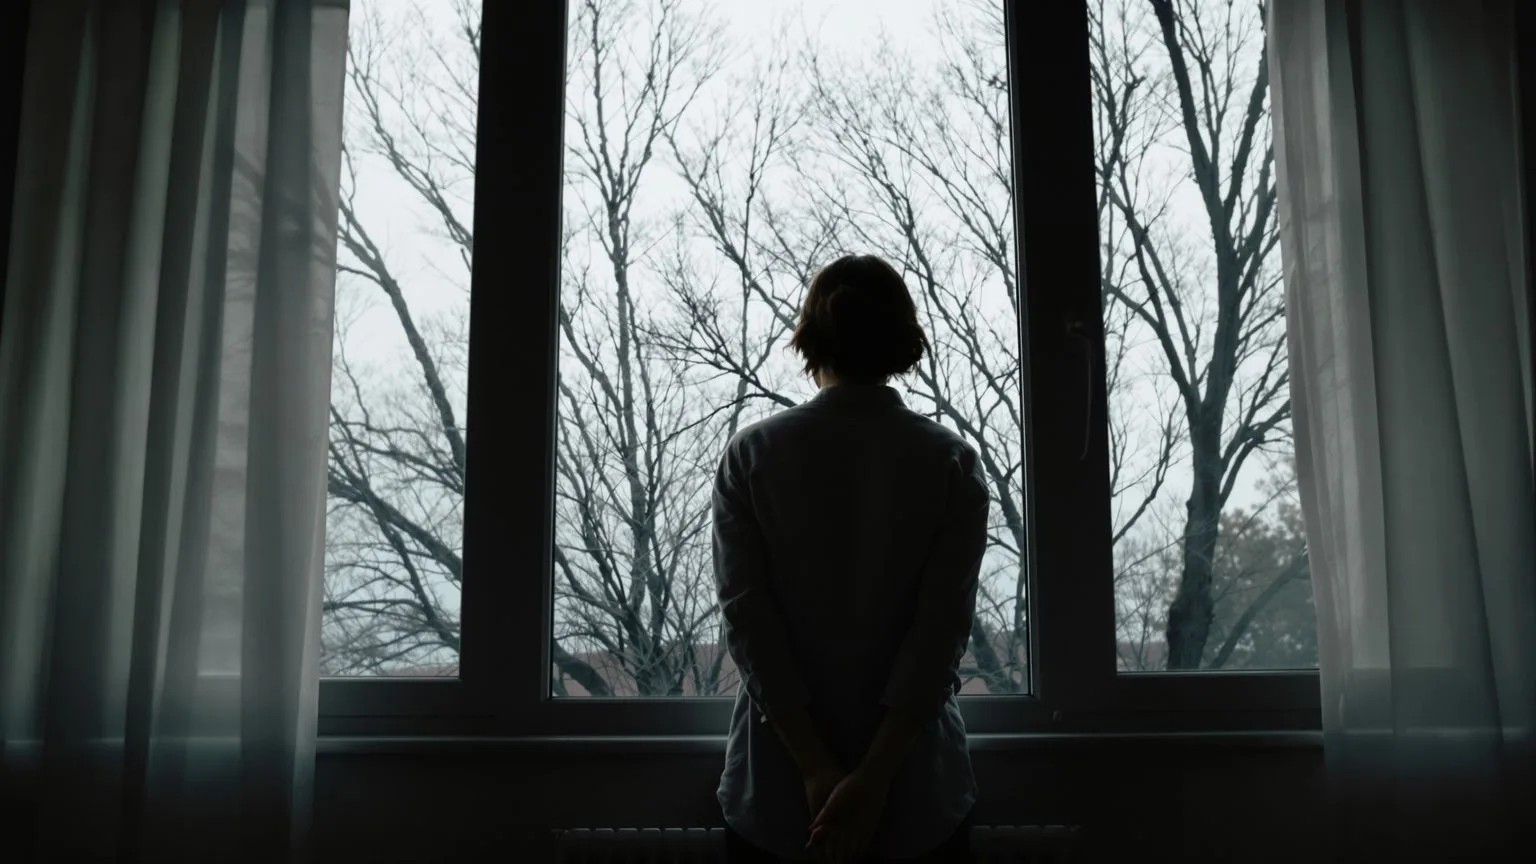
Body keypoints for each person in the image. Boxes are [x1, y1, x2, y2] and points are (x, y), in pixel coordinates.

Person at [711, 255, 989, 863]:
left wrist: (817, 770)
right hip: (919, 795)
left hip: (780, 796)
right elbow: (939, 635)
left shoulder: (753, 454)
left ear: (811, 337)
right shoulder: (951, 463)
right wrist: (873, 780)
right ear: (902, 341)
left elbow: (749, 623)